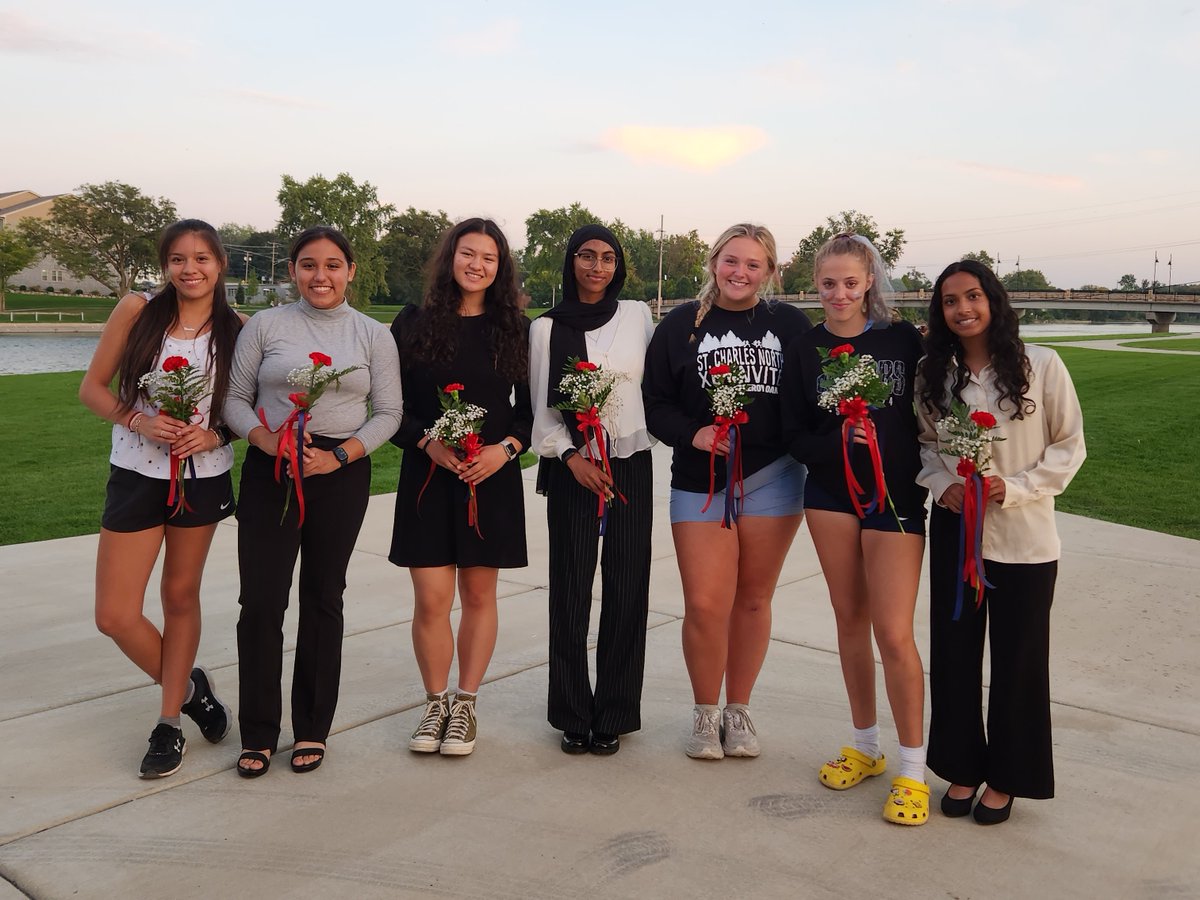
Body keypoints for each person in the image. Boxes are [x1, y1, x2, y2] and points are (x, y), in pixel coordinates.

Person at [223, 226, 403, 777]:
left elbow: (388, 414)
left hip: (339, 473)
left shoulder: (374, 335)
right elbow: (235, 398)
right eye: (307, 265)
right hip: (270, 467)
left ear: (350, 271)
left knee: (324, 599)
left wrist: (340, 457)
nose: (319, 276)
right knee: (261, 602)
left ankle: (312, 728)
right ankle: (257, 730)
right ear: (293, 271)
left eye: (331, 265)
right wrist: (266, 439)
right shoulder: (265, 325)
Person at [915, 260, 1085, 825]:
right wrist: (944, 487)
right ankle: (962, 766)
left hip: (1025, 541)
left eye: (972, 296)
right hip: (957, 536)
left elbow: (1069, 446)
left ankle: (1009, 777)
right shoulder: (933, 372)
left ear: (993, 299)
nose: (962, 309)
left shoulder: (1041, 366)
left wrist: (1012, 488)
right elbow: (927, 443)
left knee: (1019, 662)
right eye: (949, 301)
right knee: (955, 657)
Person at [79, 219, 244, 778]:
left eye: (202, 258)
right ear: (165, 265)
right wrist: (137, 419)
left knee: (179, 595)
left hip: (202, 477)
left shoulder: (239, 329)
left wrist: (216, 433)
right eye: (178, 258)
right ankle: (194, 688)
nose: (190, 269)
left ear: (220, 264)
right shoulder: (137, 311)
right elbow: (92, 388)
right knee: (115, 614)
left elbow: (246, 414)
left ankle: (169, 720)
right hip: (136, 472)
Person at [643, 223, 810, 760]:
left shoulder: (788, 324)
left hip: (774, 477)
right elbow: (655, 401)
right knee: (705, 603)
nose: (741, 272)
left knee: (754, 599)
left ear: (770, 271)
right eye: (731, 261)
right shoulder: (678, 326)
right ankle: (704, 711)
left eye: (754, 264)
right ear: (714, 263)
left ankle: (738, 710)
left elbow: (808, 398)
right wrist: (693, 433)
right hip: (701, 481)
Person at [780, 232, 930, 824]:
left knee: (894, 632)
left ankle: (913, 767)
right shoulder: (805, 346)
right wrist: (836, 440)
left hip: (894, 499)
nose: (839, 293)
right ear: (815, 285)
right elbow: (793, 434)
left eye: (850, 282)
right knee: (850, 621)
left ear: (870, 280)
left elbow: (932, 416)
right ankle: (866, 745)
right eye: (827, 283)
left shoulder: (902, 342)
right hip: (829, 495)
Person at [390, 218, 531, 757]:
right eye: (467, 253)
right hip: (429, 477)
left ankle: (465, 704)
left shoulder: (515, 328)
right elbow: (391, 409)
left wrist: (505, 452)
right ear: (450, 258)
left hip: (489, 478)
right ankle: (433, 704)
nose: (477, 264)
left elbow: (529, 415)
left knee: (478, 595)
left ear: (500, 267)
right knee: (431, 599)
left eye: (488, 257)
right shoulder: (413, 322)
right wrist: (429, 444)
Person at [531, 223, 655, 755]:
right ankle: (572, 712)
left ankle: (616, 712)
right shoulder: (545, 328)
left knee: (628, 588)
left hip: (629, 460)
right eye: (587, 256)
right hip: (573, 465)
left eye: (607, 257)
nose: (597, 266)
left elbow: (653, 386)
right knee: (570, 586)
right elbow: (541, 410)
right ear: (571, 261)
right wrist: (572, 456)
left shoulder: (638, 316)